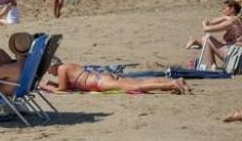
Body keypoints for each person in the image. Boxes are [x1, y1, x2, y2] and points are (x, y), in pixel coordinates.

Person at [41, 60, 190, 94]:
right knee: (140, 82)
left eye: (48, 69)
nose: (49, 72)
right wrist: (53, 84)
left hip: (99, 83)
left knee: (137, 87)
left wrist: (46, 87)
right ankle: (173, 81)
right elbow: (70, 84)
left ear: (52, 65)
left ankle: (172, 85)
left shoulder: (61, 69)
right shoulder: (67, 65)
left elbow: (62, 90)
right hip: (101, 77)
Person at [186, 0, 242, 70]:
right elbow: (211, 22)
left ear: (232, 9)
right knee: (212, 41)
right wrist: (224, 17)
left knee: (207, 38)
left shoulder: (232, 21)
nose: (222, 11)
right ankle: (212, 66)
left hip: (237, 56)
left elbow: (207, 29)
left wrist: (204, 24)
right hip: (237, 56)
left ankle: (211, 67)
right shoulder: (238, 20)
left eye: (225, 9)